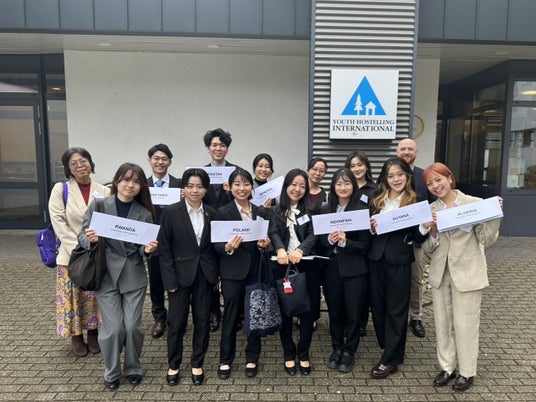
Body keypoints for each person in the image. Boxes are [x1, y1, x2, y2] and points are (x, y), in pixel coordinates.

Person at [421, 163, 502, 392]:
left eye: (439, 179)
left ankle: (467, 372)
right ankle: (447, 367)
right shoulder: (430, 210)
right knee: (443, 324)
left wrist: (494, 215)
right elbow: (427, 249)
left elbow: (487, 240)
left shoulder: (475, 204)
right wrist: (432, 231)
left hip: (468, 273)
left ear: (450, 178)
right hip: (440, 273)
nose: (435, 186)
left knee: (465, 324)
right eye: (430, 183)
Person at [79, 163, 158, 390]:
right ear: (116, 181)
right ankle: (111, 371)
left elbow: (143, 247)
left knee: (132, 326)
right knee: (113, 329)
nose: (130, 185)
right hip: (105, 275)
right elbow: (82, 236)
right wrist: (90, 239)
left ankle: (133, 367)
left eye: (136, 182)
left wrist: (148, 250)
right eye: (126, 179)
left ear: (141, 186)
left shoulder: (144, 213)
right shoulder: (99, 206)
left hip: (133, 275)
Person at [367, 157, 428, 379]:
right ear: (385, 178)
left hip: (400, 260)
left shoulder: (415, 201)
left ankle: (391, 359)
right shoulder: (376, 198)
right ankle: (389, 345)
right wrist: (371, 228)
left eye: (400, 174)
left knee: (396, 310)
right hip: (376, 259)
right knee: (378, 308)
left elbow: (417, 237)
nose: (396, 179)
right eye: (391, 175)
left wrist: (424, 227)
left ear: (407, 176)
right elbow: (368, 232)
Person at [158, 168, 218, 386]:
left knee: (202, 321)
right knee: (176, 324)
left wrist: (216, 275)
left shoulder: (212, 213)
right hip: (179, 277)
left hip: (205, 276)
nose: (195, 190)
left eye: (200, 186)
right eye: (190, 186)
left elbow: (214, 247)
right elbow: (164, 250)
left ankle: (197, 363)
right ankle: (174, 365)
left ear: (206, 189)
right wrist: (169, 281)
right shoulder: (171, 212)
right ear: (183, 188)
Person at [49, 147, 110, 357]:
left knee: (93, 295)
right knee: (73, 297)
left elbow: (109, 221)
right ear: (68, 169)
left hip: (97, 253)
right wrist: (79, 246)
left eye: (83, 160)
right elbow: (58, 221)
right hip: (71, 254)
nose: (79, 166)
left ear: (90, 163)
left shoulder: (104, 191)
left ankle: (93, 332)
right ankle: (76, 336)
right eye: (73, 163)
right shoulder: (61, 190)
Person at [213, 168, 272, 380]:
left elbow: (265, 240)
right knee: (230, 316)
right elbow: (216, 244)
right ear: (230, 187)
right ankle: (225, 359)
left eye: (246, 184)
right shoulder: (221, 212)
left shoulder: (261, 212)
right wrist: (227, 247)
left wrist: (265, 244)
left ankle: (252, 357)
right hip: (232, 272)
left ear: (252, 187)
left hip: (255, 271)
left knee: (254, 316)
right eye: (237, 184)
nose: (242, 188)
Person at [320, 168, 370, 373]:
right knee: (335, 311)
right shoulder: (325, 209)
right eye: (339, 183)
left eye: (347, 183)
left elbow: (365, 245)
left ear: (353, 186)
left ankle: (350, 350)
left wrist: (345, 242)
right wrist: (328, 240)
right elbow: (319, 242)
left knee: (353, 313)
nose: (343, 187)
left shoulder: (361, 210)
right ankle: (337, 347)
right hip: (331, 269)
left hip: (355, 270)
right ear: (333, 186)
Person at [269, 169, 317, 376]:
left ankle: (303, 353)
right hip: (281, 266)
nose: (297, 189)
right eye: (293, 184)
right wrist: (280, 248)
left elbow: (314, 234)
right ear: (286, 186)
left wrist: (300, 250)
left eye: (302, 186)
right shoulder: (274, 210)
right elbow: (272, 232)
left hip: (306, 265)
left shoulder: (311, 211)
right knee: (285, 312)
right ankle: (289, 353)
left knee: (307, 312)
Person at [202, 128, 240, 333]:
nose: (218, 148)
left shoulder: (236, 173)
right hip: (206, 230)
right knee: (210, 272)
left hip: (230, 229)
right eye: (214, 145)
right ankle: (214, 312)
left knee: (230, 272)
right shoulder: (200, 173)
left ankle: (235, 313)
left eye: (222, 145)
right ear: (208, 148)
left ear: (227, 149)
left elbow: (244, 198)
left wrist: (231, 193)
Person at [396, 138, 434, 338]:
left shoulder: (424, 176)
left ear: (416, 152)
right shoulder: (389, 175)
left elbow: (434, 203)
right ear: (397, 152)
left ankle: (416, 317)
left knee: (416, 279)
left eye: (410, 149)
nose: (406, 152)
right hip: (393, 240)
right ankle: (396, 316)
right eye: (402, 149)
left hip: (416, 239)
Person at [146, 144, 182, 340]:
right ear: (149, 160)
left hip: (176, 240)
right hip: (152, 241)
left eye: (164, 159)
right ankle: (159, 317)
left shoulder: (180, 185)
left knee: (178, 279)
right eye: (156, 158)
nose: (160, 162)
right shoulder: (142, 185)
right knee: (156, 281)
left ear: (170, 162)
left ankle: (177, 316)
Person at [344, 150, 377, 336]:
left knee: (363, 287)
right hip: (346, 242)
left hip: (367, 243)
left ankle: (361, 322)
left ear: (366, 166)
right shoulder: (344, 186)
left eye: (360, 165)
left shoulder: (375, 189)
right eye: (352, 166)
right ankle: (348, 321)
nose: (356, 169)